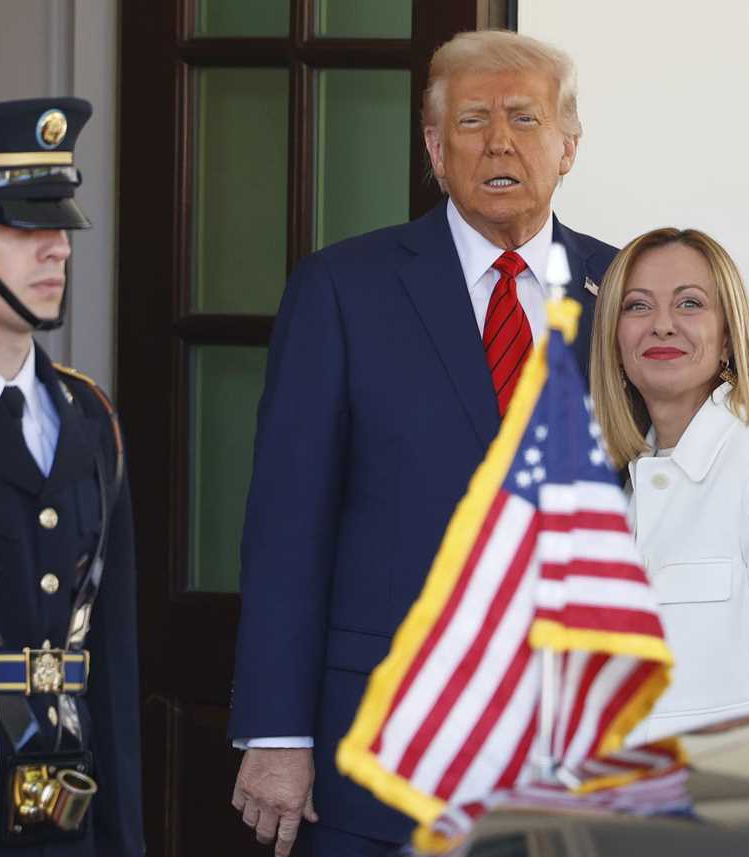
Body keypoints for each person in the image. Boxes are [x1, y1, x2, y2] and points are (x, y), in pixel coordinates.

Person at [228, 30, 617, 857]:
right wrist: (276, 731)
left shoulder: (627, 295)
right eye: (473, 121)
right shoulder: (342, 289)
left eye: (525, 117)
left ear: (569, 146)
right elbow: (288, 525)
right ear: (436, 150)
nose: (500, 141)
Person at [588, 227, 749, 743]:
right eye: (638, 307)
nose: (663, 325)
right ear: (614, 341)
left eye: (689, 303)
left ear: (728, 336)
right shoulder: (621, 494)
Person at [0, 98, 143, 855]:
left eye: (61, 225)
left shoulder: (90, 417)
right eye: (22, 225)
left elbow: (112, 665)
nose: (58, 249)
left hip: (65, 815)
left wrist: (123, 840)